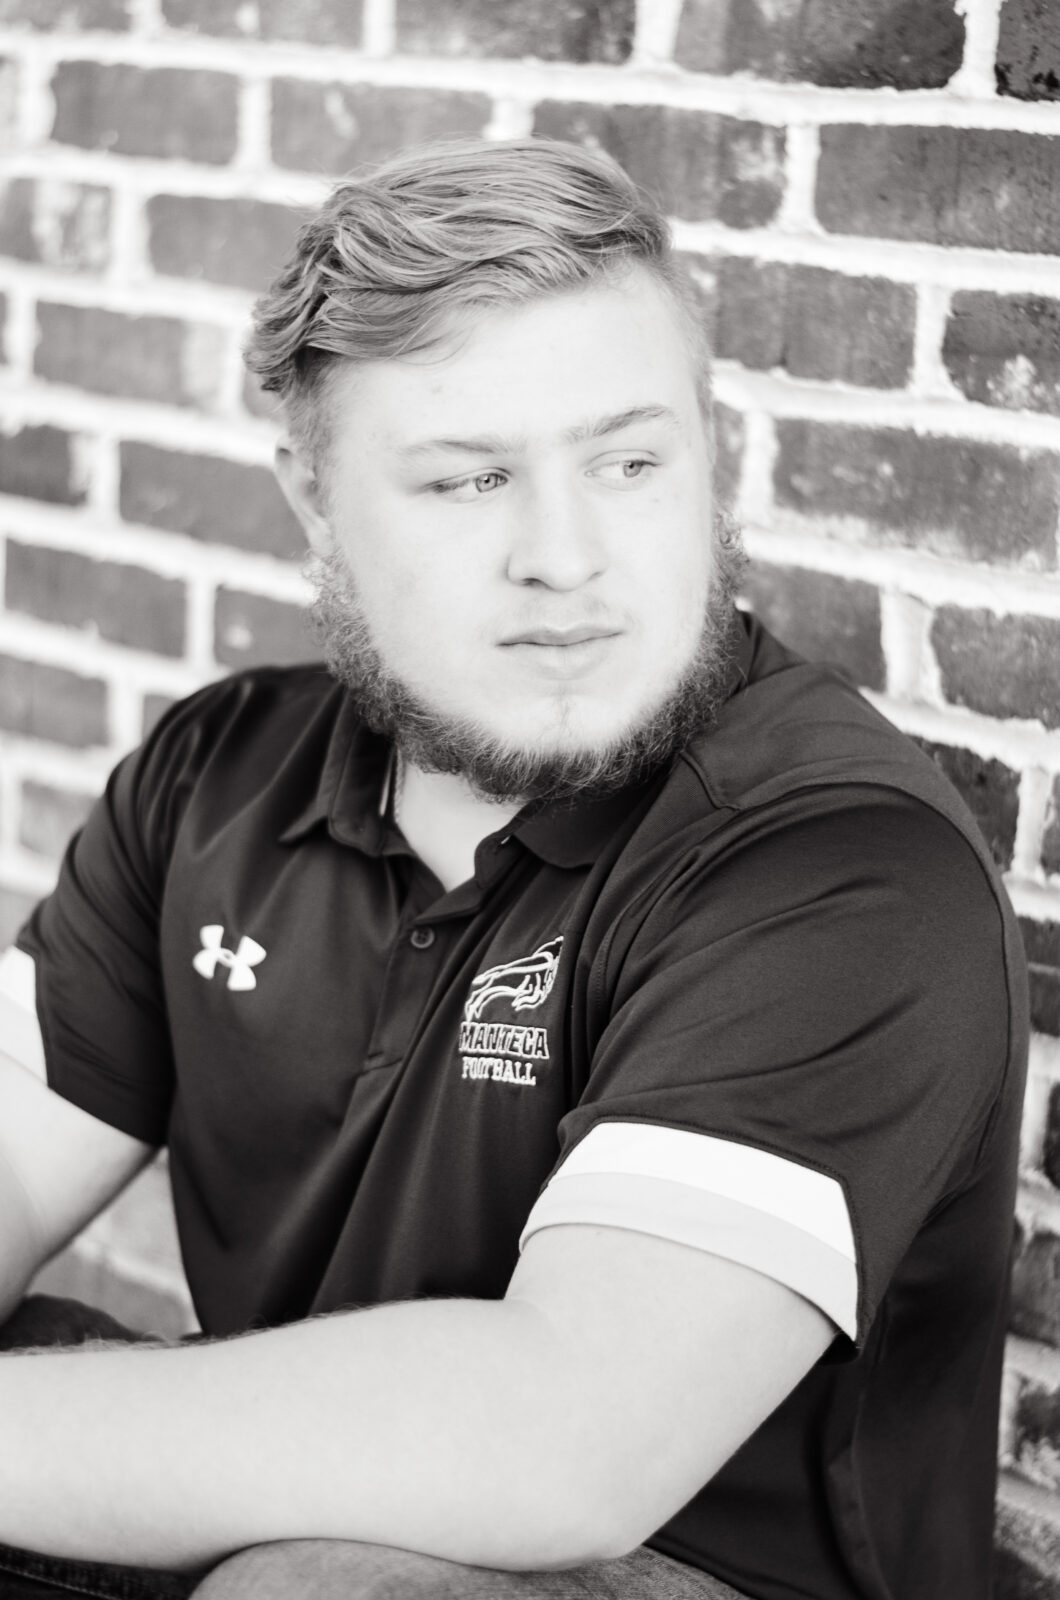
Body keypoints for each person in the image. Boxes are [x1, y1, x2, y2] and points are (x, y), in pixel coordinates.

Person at [0, 137, 1028, 1600]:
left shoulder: (840, 868)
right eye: (468, 480)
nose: (565, 555)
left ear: (708, 453)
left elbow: (568, 1440)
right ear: (312, 501)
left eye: (626, 460)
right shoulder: (218, 775)